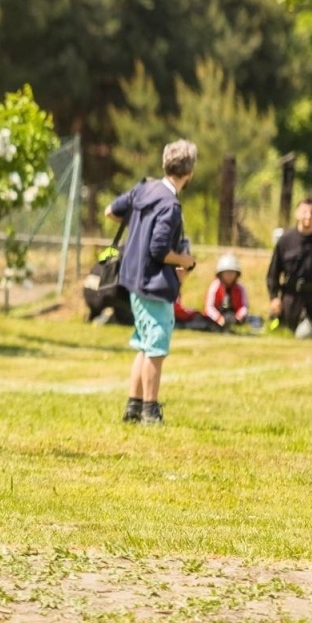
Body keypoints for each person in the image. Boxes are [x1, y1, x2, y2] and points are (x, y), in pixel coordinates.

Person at [109, 140, 198, 425]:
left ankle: (133, 407)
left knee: (144, 345)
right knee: (156, 348)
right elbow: (159, 250)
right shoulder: (170, 204)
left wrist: (137, 230)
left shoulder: (144, 188)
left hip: (133, 278)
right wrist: (184, 261)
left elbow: (110, 211)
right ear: (190, 172)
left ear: (165, 163)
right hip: (154, 283)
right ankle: (150, 410)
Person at [266, 199, 312, 339]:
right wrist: (274, 297)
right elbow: (273, 272)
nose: (308, 216)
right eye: (304, 212)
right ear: (297, 214)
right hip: (292, 294)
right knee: (288, 330)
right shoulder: (286, 240)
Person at [203, 254, 252, 331]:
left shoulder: (240, 288)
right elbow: (209, 307)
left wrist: (239, 316)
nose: (229, 275)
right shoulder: (215, 287)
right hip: (217, 316)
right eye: (227, 273)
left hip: (233, 316)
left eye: (232, 273)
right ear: (220, 274)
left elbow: (244, 306)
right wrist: (218, 318)